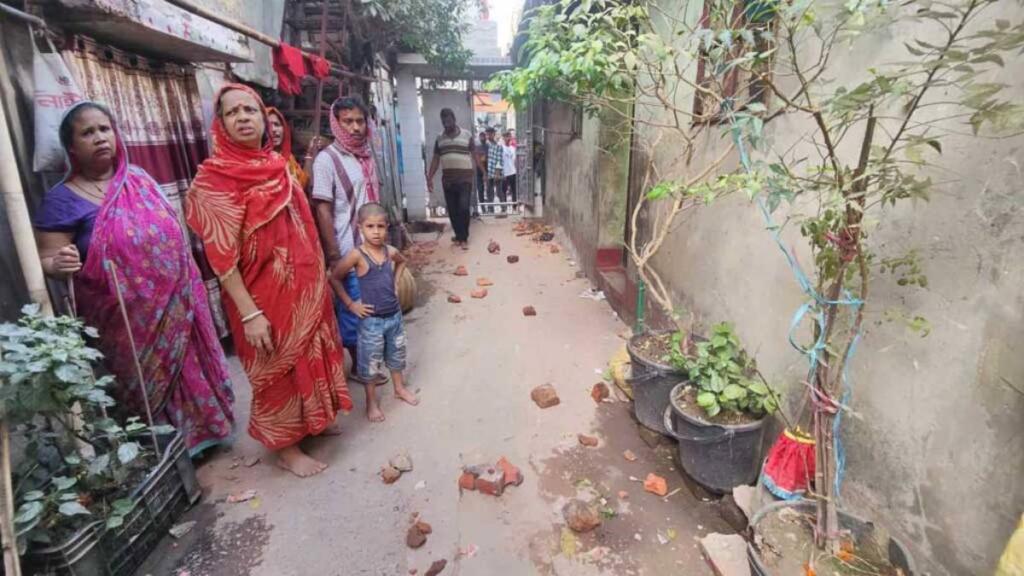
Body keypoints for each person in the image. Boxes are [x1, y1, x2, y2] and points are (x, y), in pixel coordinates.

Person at [35, 101, 235, 458]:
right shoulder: (61, 200)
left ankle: (206, 435)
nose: (99, 138)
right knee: (142, 384)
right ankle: (167, 451)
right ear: (72, 147)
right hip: (121, 321)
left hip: (177, 304)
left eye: (105, 129)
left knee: (187, 367)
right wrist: (57, 262)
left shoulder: (139, 181)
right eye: (88, 132)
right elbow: (48, 257)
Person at [186, 84, 352, 478]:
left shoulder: (277, 166)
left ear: (264, 118)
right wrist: (249, 313)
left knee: (314, 355)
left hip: (306, 287)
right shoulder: (214, 183)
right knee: (275, 369)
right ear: (220, 124)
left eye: (250, 110)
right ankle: (286, 448)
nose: (243, 117)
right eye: (232, 113)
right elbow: (221, 260)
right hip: (262, 297)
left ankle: (315, 421)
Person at [311, 96, 381, 382]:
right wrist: (333, 255)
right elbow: (323, 209)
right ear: (336, 123)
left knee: (373, 306)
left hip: (372, 248)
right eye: (347, 121)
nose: (354, 127)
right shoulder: (327, 159)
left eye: (359, 121)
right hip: (347, 248)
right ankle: (358, 367)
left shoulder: (366, 155)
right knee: (354, 311)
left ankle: (369, 361)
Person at [329, 203, 418, 422]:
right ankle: (371, 401)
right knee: (369, 365)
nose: (376, 232)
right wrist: (351, 305)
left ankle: (399, 388)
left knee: (396, 356)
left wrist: (396, 283)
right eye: (370, 226)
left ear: (387, 227)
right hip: (371, 323)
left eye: (380, 226)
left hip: (394, 317)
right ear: (360, 228)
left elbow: (403, 262)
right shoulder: (356, 256)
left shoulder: (390, 252)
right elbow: (334, 277)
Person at [426, 108, 476, 248]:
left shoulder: (467, 135)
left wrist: (483, 172)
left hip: (465, 179)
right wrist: (429, 177)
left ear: (454, 119)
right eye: (444, 122)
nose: (446, 125)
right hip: (448, 181)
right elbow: (436, 159)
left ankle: (464, 237)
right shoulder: (439, 138)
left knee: (464, 208)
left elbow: (474, 154)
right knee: (453, 210)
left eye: (448, 121)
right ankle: (459, 235)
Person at [266, 107, 310, 191]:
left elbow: (302, 184)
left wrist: (310, 153)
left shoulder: (289, 158)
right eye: (268, 125)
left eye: (277, 124)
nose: (274, 130)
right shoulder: (256, 160)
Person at [485, 127, 506, 213]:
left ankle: (503, 208)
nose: (489, 135)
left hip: (496, 172)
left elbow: (499, 160)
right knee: (489, 192)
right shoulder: (485, 145)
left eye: (490, 133)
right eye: (487, 133)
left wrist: (497, 173)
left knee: (499, 191)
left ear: (494, 134)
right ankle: (490, 209)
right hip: (487, 172)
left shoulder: (498, 146)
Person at [501, 131, 518, 208]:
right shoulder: (501, 148)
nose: (508, 138)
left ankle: (514, 207)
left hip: (513, 172)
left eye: (509, 136)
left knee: (514, 190)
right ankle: (504, 208)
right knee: (503, 191)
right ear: (503, 138)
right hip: (505, 173)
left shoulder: (513, 148)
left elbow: (514, 160)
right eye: (506, 136)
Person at [474, 130, 489, 214]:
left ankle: (490, 208)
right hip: (479, 170)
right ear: (479, 137)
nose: (482, 138)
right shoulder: (477, 147)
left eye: (484, 136)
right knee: (480, 190)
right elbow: (478, 159)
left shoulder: (488, 146)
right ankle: (483, 208)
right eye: (481, 136)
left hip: (488, 169)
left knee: (489, 189)